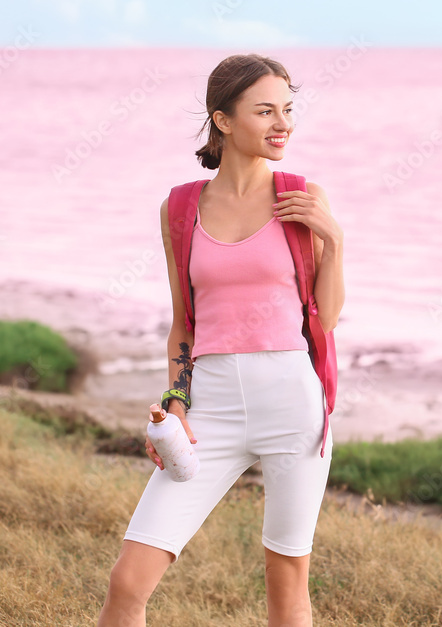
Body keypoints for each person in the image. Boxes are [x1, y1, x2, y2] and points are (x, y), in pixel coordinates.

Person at [98, 53, 345, 627]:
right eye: (265, 111)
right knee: (127, 582)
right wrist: (176, 406)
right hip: (209, 409)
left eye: (288, 109)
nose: (282, 123)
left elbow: (326, 320)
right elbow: (184, 323)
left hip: (292, 405)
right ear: (224, 120)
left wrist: (333, 241)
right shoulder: (181, 208)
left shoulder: (302, 198)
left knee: (286, 590)